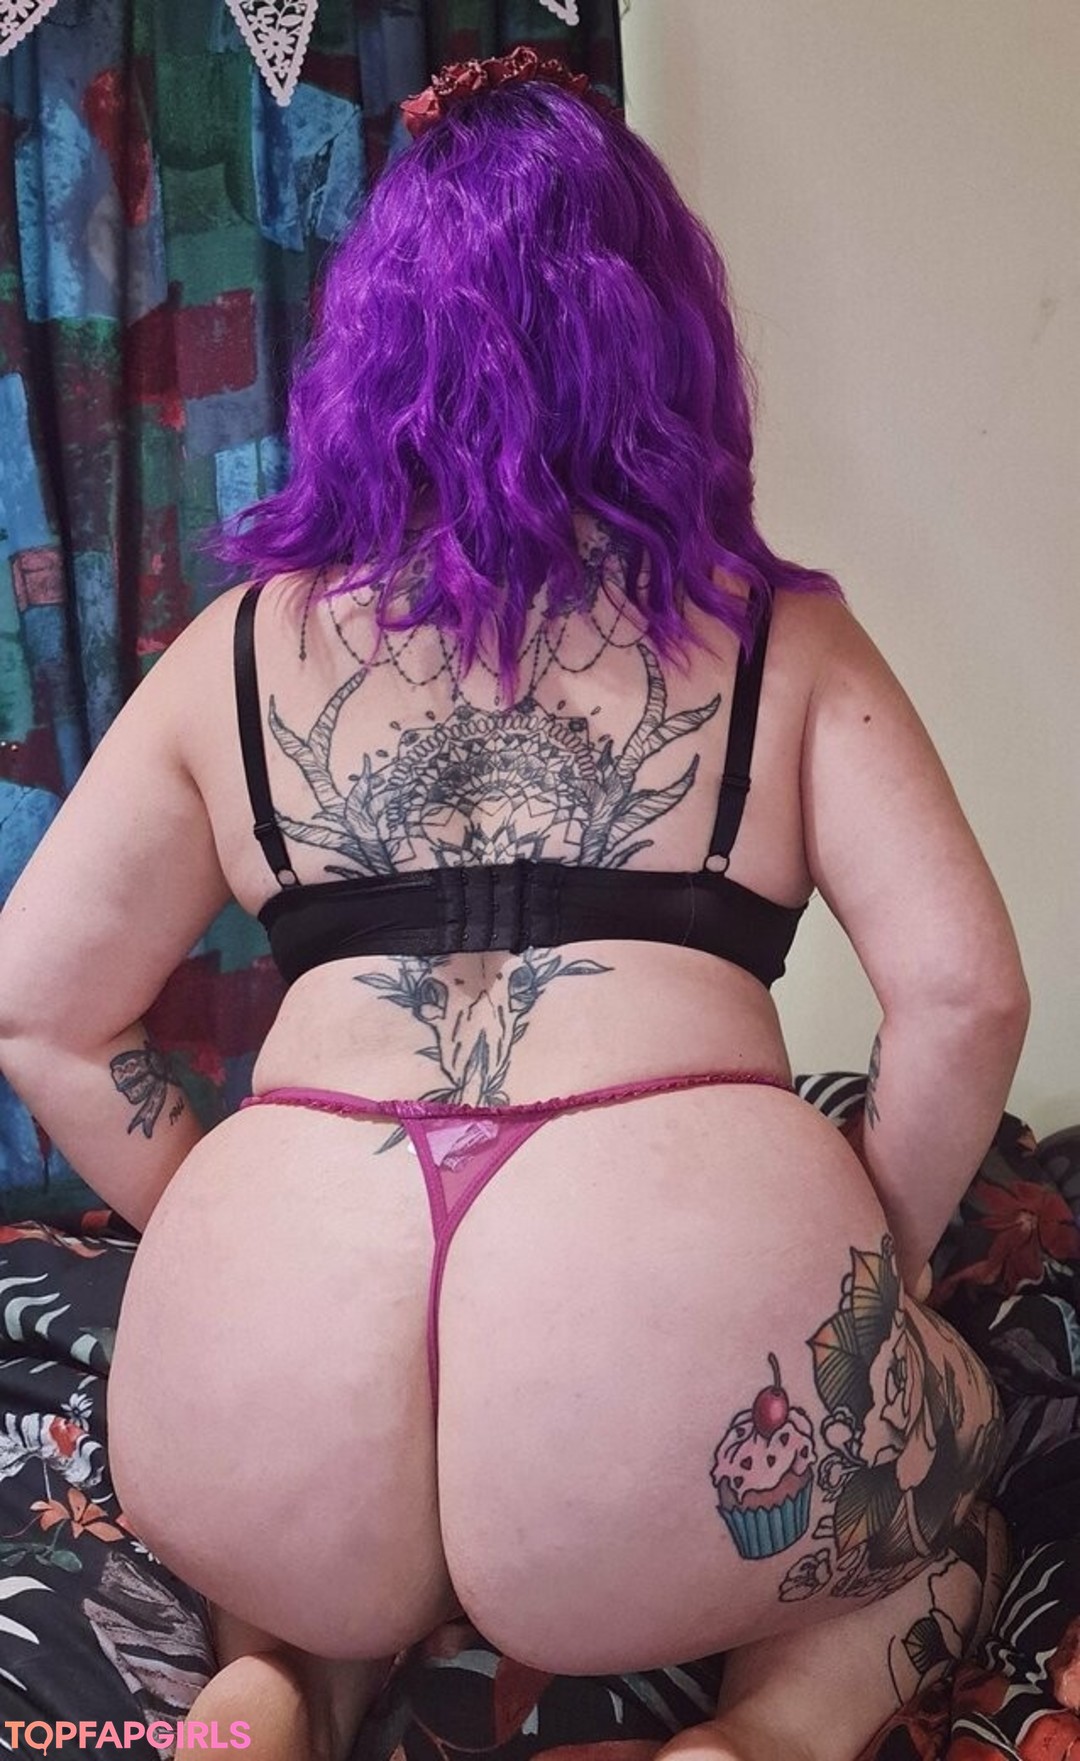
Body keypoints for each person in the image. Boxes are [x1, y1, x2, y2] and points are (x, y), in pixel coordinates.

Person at [0, 46, 1028, 1761]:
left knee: (293, 1576)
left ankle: (272, 1685)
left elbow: (37, 1003)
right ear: (664, 336)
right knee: (953, 1492)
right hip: (671, 1378)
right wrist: (878, 1257)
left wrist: (212, 1214)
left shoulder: (238, 649)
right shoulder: (776, 635)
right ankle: (764, 1736)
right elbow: (968, 998)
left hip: (273, 1377)